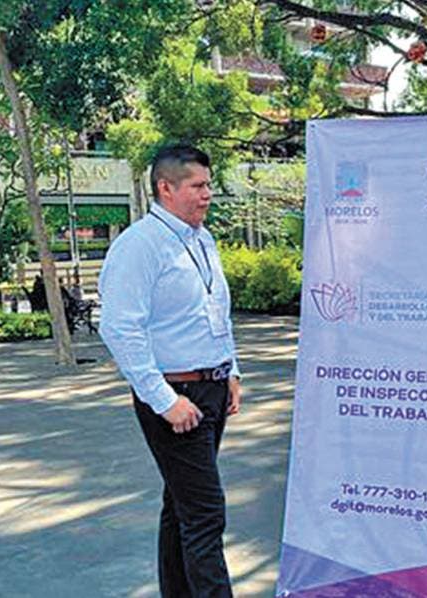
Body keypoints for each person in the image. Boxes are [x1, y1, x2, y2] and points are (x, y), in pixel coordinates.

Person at [99, 144, 243, 598]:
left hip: (211, 388)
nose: (208, 194)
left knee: (181, 507)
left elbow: (216, 311)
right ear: (166, 188)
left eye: (208, 185)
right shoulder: (139, 246)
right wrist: (163, 400)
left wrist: (231, 370)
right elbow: (119, 327)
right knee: (205, 513)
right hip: (175, 397)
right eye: (197, 186)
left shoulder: (203, 240)